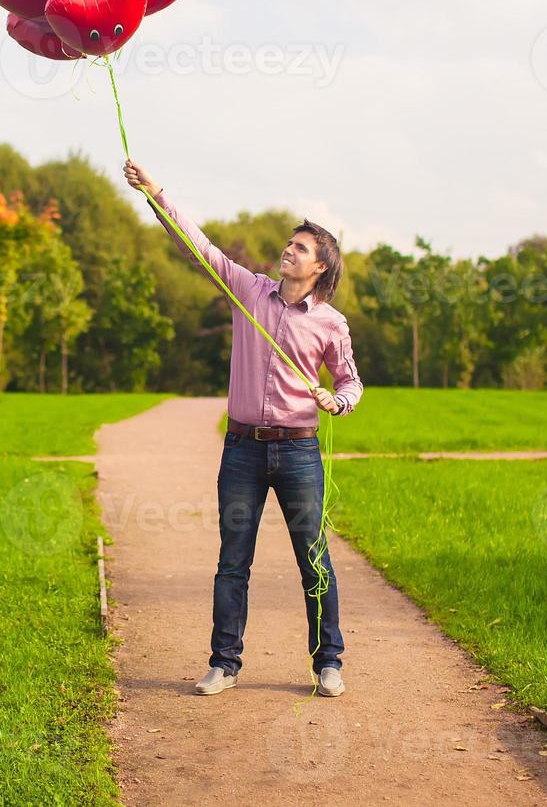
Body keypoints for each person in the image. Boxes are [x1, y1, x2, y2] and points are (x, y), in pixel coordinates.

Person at [123, 159, 363, 698]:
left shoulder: (331, 322)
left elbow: (351, 382)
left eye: (301, 248)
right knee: (233, 561)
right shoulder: (249, 290)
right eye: (290, 243)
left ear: (320, 267)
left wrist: (337, 401)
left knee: (314, 560)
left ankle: (329, 662)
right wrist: (155, 192)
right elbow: (198, 247)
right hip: (242, 452)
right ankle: (224, 663)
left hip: (300, 453)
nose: (289, 250)